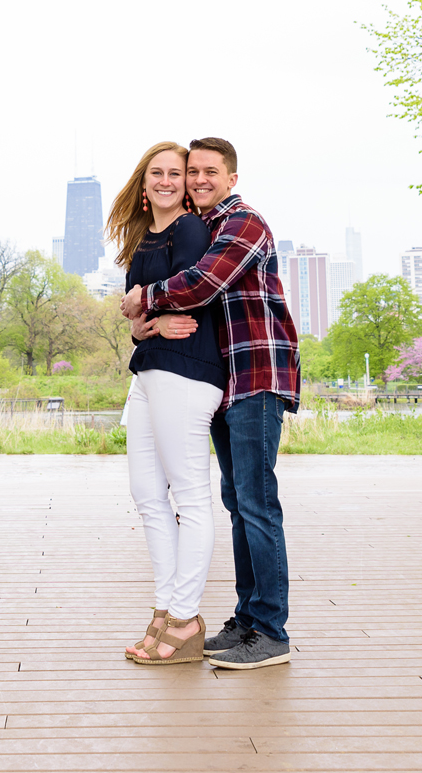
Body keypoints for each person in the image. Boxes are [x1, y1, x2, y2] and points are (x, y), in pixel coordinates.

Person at [121, 137, 299, 670]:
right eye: (191, 170)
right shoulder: (207, 227)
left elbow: (202, 284)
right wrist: (143, 322)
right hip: (225, 378)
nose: (198, 179)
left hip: (256, 375)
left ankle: (269, 630)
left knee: (256, 502)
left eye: (208, 172)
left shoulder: (243, 223)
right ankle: (247, 621)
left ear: (231, 178)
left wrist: (141, 300)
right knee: (237, 501)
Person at [110, 142, 226, 665]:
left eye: (175, 174)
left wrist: (146, 313)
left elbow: (193, 295)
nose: (166, 181)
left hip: (188, 370)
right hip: (149, 370)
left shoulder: (189, 229)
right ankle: (163, 608)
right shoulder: (143, 243)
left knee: (190, 496)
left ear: (185, 184)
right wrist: (146, 323)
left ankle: (185, 617)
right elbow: (137, 319)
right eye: (156, 173)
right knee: (147, 494)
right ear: (143, 184)